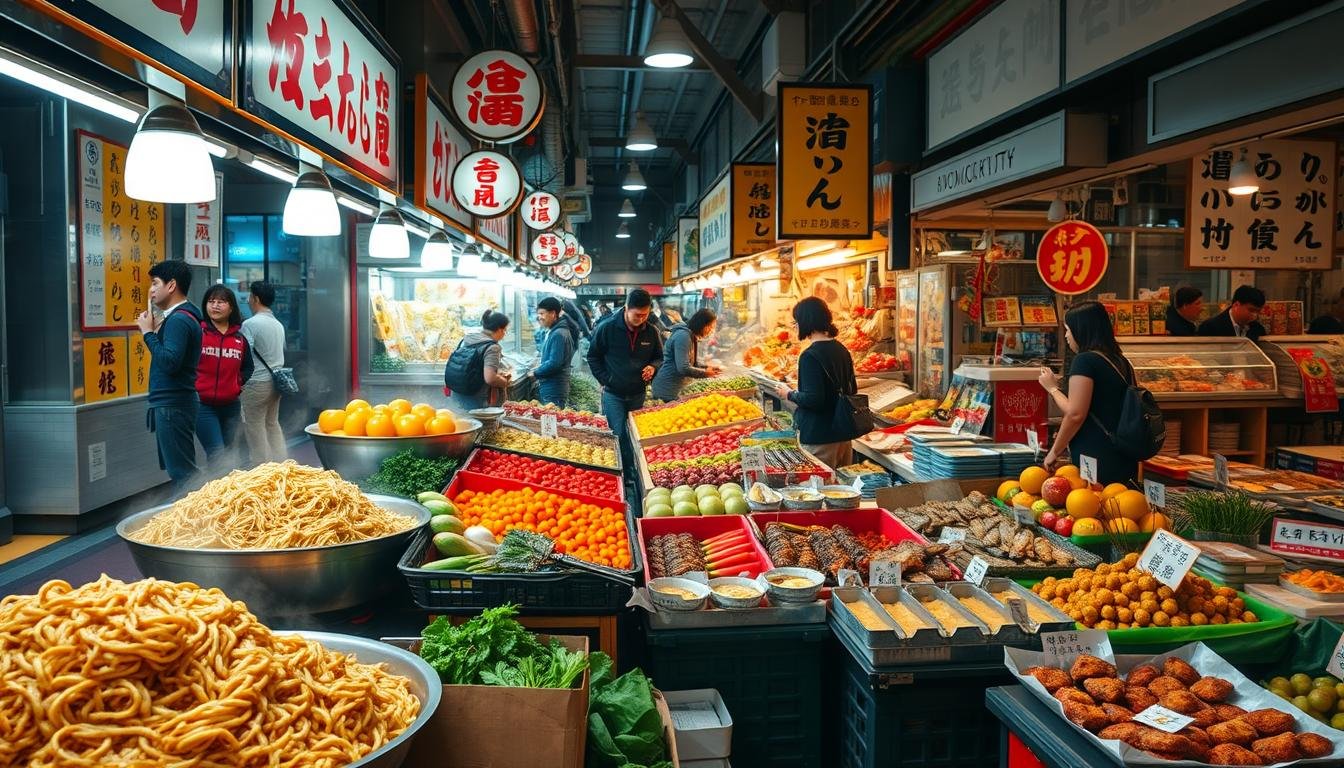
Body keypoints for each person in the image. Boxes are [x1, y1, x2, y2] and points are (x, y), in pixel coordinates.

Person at [1036, 301, 1139, 486]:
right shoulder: (1121, 361)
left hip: (1096, 453)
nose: (1067, 336)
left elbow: (1075, 413)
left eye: (1068, 329)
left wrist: (1052, 388)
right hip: (1125, 452)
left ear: (1081, 330)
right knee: (1122, 509)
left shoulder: (1085, 361)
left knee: (1091, 508)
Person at [135, 260, 203, 494]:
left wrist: (147, 333)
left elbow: (170, 362)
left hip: (173, 404)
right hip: (174, 402)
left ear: (171, 285)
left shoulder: (180, 319)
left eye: (155, 283)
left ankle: (199, 523)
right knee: (182, 470)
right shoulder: (181, 317)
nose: (151, 290)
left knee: (183, 473)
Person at [774, 297, 862, 469]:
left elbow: (815, 400)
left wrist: (788, 393)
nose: (795, 325)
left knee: (821, 488)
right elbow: (852, 389)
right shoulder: (842, 350)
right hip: (843, 435)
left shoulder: (809, 356)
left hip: (820, 438)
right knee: (842, 489)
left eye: (796, 321)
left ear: (805, 321)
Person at [587, 288, 663, 474]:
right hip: (614, 394)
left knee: (633, 435)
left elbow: (659, 357)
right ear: (626, 308)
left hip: (638, 393)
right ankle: (618, 473)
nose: (642, 319)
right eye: (637, 315)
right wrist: (606, 379)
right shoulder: (607, 328)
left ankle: (631, 472)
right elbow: (593, 357)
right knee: (617, 434)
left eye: (646, 314)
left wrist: (653, 367)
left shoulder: (651, 331)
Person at [195, 284, 253, 473]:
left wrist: (237, 383)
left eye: (221, 301)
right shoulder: (198, 334)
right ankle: (215, 497)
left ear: (231, 307)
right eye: (211, 301)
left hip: (230, 406)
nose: (215, 305)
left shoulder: (239, 339)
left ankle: (227, 495)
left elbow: (248, 367)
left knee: (229, 453)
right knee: (217, 454)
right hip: (203, 406)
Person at [240, 281, 288, 464]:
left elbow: (243, 353)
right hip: (276, 382)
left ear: (256, 299)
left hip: (256, 383)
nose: (249, 300)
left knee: (255, 426)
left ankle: (262, 468)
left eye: (250, 297)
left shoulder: (250, 324)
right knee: (272, 423)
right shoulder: (278, 325)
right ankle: (282, 464)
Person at [446, 310, 512, 411]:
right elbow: (490, 378)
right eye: (505, 330)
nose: (504, 334)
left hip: (457, 392)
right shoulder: (492, 347)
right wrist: (505, 381)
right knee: (479, 425)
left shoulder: (466, 339)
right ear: (499, 330)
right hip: (476, 398)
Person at [651, 308, 722, 402]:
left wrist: (708, 367)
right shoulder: (683, 336)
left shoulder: (691, 335)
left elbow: (693, 363)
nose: (711, 331)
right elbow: (683, 368)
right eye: (710, 327)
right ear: (702, 324)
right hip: (667, 390)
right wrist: (705, 373)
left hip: (676, 389)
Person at [533, 297, 576, 407]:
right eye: (538, 314)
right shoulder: (558, 331)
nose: (539, 317)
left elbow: (554, 363)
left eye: (542, 313)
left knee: (551, 420)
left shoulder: (558, 334)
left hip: (554, 387)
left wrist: (536, 373)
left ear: (552, 313)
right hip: (554, 385)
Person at [1197, 285, 1266, 340]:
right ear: (1236, 305)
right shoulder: (1210, 327)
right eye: (1251, 310)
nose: (1254, 315)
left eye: (1258, 311)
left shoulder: (1258, 329)